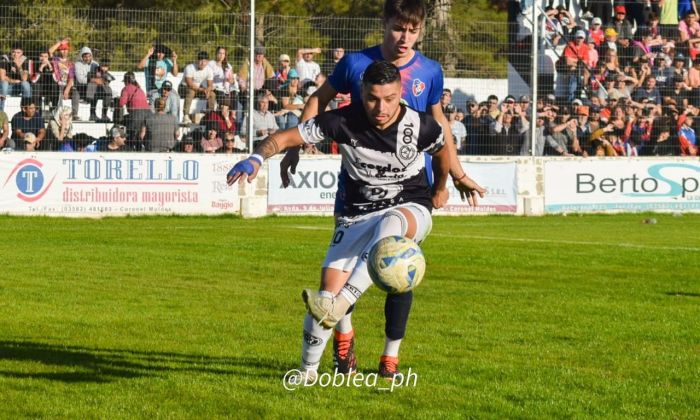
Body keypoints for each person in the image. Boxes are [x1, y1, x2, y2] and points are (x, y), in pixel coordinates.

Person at [278, 0, 485, 379]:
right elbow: (319, 100)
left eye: (413, 30)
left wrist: (456, 174)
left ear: (421, 30)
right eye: (397, 28)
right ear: (384, 23)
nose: (405, 37)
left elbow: (440, 126)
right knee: (343, 269)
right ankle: (343, 338)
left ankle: (389, 357)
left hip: (409, 189)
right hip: (359, 188)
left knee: (398, 271)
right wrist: (295, 147)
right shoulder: (356, 64)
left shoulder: (430, 71)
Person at [226, 60, 450, 381]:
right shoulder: (341, 120)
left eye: (388, 98)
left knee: (391, 229)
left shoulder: (421, 125)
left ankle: (343, 303)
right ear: (361, 92)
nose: (380, 107)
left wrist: (440, 187)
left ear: (400, 93)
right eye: (373, 98)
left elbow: (443, 152)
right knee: (323, 297)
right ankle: (307, 373)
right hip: (356, 214)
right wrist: (256, 157)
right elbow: (286, 137)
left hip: (409, 207)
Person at [118, 71, 150, 149]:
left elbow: (121, 103)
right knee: (140, 135)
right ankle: (139, 150)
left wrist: (118, 99)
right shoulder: (139, 89)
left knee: (131, 134)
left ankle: (130, 149)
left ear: (126, 81)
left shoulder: (126, 88)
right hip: (148, 113)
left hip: (136, 113)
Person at [0, 44, 33, 112]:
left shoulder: (25, 60)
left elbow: (24, 79)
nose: (15, 54)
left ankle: (25, 109)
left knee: (26, 84)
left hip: (18, 87)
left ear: (22, 53)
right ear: (10, 52)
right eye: (13, 52)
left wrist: (19, 66)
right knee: (5, 84)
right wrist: (13, 81)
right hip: (6, 88)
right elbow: (2, 77)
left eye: (18, 52)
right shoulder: (5, 59)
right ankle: (1, 111)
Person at [86, 58, 114, 122]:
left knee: (109, 93)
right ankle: (92, 114)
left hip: (103, 90)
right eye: (103, 66)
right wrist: (97, 79)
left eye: (106, 67)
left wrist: (106, 81)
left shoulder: (106, 73)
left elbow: (108, 80)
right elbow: (90, 78)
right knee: (95, 95)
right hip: (94, 90)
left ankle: (104, 114)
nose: (104, 68)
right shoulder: (96, 70)